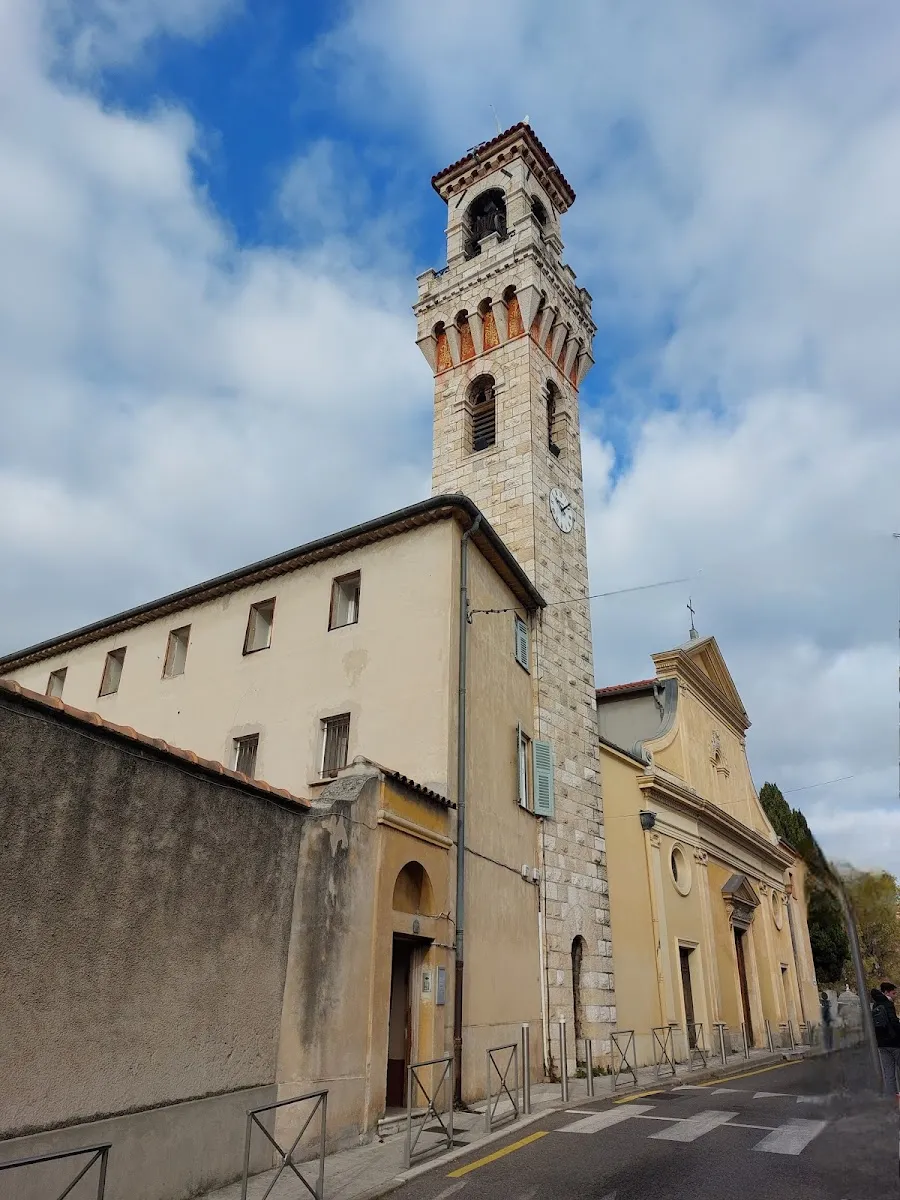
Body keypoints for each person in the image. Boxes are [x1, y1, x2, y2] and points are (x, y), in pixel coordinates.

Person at [870, 982, 900, 1096]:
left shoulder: (875, 1005)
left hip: (882, 1044)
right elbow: (894, 1023)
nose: (895, 995)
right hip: (895, 1043)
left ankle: (892, 1100)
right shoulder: (888, 1004)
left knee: (888, 1073)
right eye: (893, 993)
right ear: (886, 992)